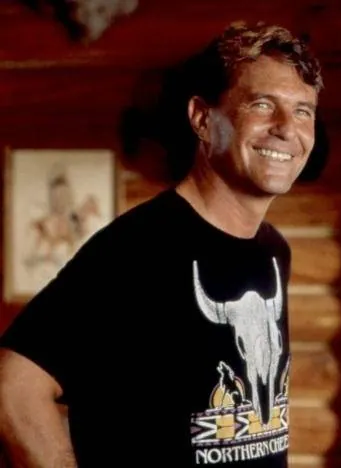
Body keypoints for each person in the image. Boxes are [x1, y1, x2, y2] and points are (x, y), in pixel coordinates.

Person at [0, 20, 324, 467]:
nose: (287, 128)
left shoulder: (272, 251)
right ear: (203, 119)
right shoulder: (139, 249)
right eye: (262, 104)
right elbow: (14, 384)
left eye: (303, 111)